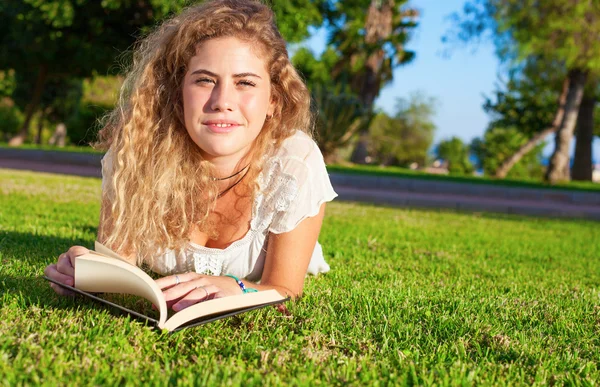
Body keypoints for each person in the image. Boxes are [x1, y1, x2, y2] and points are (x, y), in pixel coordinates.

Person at [44, 0, 337, 312]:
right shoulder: (137, 149)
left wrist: (238, 288)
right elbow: (118, 264)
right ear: (178, 92)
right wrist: (85, 269)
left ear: (273, 101)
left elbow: (285, 289)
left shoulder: (294, 161)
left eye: (245, 83)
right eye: (205, 80)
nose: (222, 101)